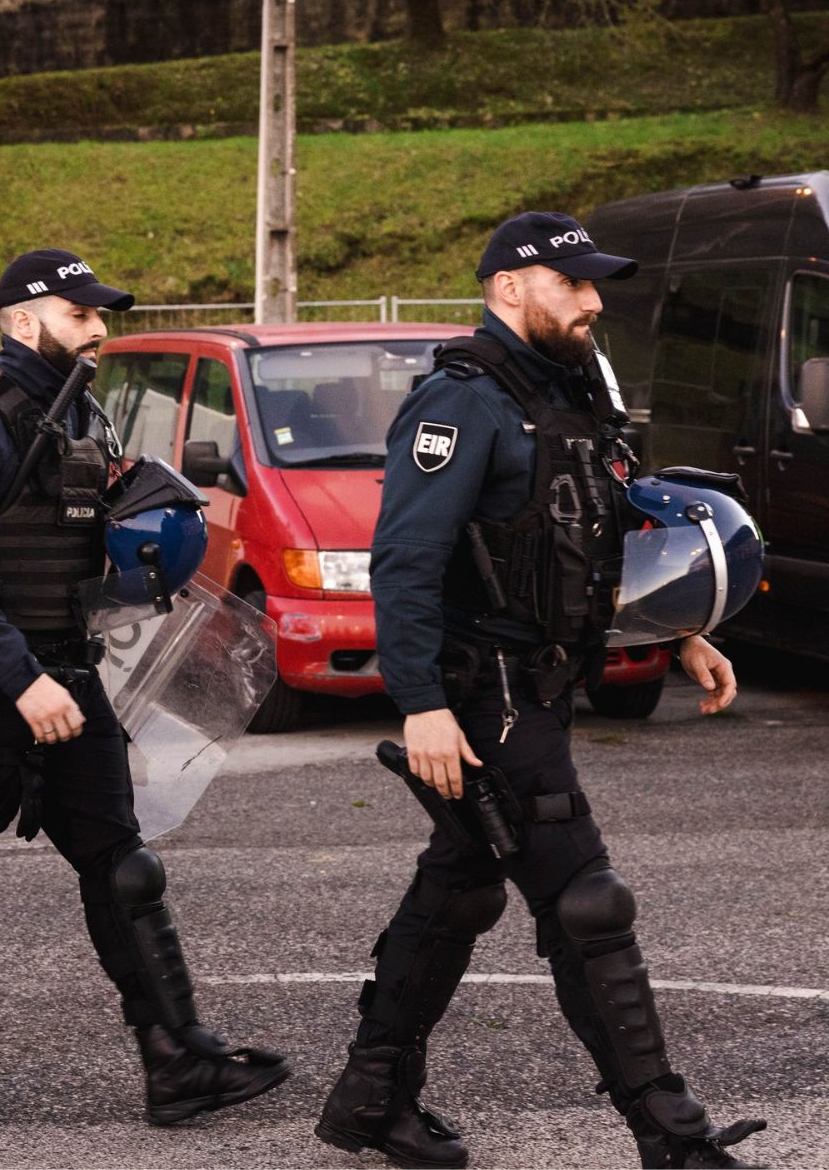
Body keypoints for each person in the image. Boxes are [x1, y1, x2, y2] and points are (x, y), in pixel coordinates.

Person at [314, 213, 764, 1169]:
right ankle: (672, 1137)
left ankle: (369, 1097)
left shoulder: (575, 392)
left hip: (547, 684)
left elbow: (602, 529)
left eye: (596, 284)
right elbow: (403, 560)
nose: (595, 300)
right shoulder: (460, 401)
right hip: (488, 695)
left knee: (462, 888)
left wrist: (683, 632)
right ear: (510, 288)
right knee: (586, 900)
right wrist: (422, 701)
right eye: (575, 284)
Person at [0, 250, 288, 1128]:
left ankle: (176, 1058)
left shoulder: (82, 417)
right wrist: (23, 680)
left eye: (102, 313)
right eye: (79, 314)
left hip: (69, 670)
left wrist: (149, 554)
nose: (100, 328)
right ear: (21, 322)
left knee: (123, 864)